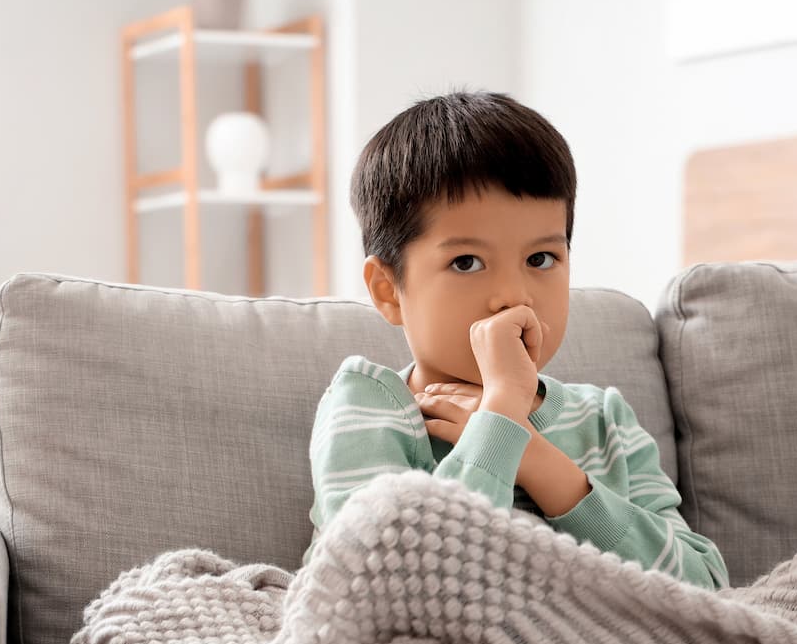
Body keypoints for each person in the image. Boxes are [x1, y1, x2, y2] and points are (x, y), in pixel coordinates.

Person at [304, 89, 728, 590]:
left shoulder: (604, 421)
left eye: (541, 259)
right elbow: (392, 588)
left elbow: (704, 587)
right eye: (466, 262)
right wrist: (502, 413)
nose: (514, 296)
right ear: (388, 290)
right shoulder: (372, 407)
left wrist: (537, 461)